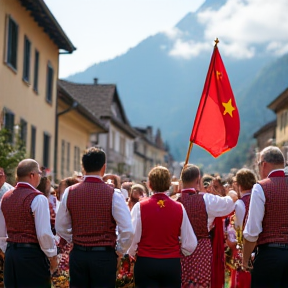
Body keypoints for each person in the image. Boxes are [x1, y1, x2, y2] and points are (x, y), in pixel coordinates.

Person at [55, 147, 134, 288]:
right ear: (104, 168)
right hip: (104, 255)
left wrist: (74, 238)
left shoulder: (70, 192)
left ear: (83, 167)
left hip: (79, 254)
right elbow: (127, 229)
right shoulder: (114, 194)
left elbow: (60, 226)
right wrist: (120, 251)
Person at [128, 165, 198, 288]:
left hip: (146, 262)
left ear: (149, 185)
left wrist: (133, 252)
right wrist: (179, 252)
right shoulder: (179, 207)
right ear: (169, 184)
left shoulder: (140, 207)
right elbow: (190, 243)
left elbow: (133, 237)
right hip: (171, 263)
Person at [0, 159, 58, 288]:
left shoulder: (5, 197)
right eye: (39, 173)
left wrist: (8, 251)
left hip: (11, 255)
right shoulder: (38, 198)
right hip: (31, 256)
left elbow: (1, 233)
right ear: (32, 175)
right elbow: (43, 234)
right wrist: (52, 255)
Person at [178, 164, 237, 288]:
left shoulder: (174, 201)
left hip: (179, 250)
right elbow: (230, 203)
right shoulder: (207, 199)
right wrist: (231, 193)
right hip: (201, 250)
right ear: (198, 180)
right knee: (201, 284)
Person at [243, 146, 288, 288]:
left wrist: (245, 259)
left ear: (263, 164)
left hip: (269, 256)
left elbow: (252, 232)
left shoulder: (261, 187)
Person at [227, 168, 256, 288]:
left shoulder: (240, 203)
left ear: (239, 185)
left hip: (245, 247)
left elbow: (238, 228)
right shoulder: (259, 198)